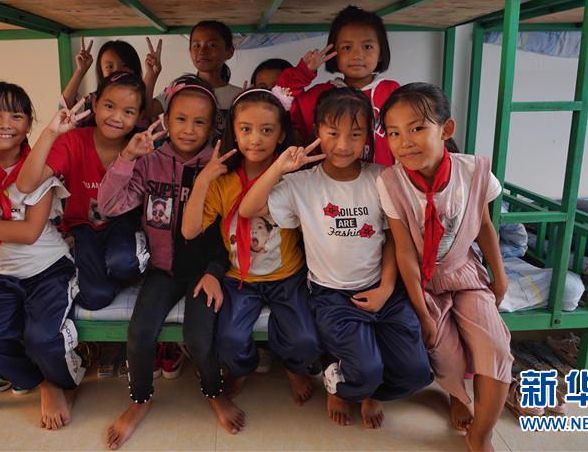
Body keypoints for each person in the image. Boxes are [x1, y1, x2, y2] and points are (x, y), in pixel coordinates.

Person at [239, 87, 432, 429]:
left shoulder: (382, 177)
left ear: (368, 136)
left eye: (355, 134)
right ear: (317, 132)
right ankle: (340, 384)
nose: (343, 145)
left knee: (417, 372)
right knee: (366, 370)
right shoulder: (302, 184)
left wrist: (386, 288)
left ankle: (371, 391)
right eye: (332, 133)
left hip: (382, 289)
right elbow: (248, 209)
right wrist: (280, 166)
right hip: (332, 295)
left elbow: (392, 238)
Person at [98, 75, 244, 450]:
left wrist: (214, 272)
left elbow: (227, 231)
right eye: (180, 119)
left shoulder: (219, 164)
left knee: (198, 337)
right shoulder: (151, 161)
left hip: (204, 271)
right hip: (162, 270)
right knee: (139, 333)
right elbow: (109, 206)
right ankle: (140, 400)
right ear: (165, 120)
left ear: (213, 126)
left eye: (199, 122)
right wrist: (127, 158)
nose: (189, 129)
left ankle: (214, 392)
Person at [377, 82, 512, 452]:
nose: (404, 142)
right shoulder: (390, 182)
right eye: (393, 133)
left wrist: (499, 276)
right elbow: (405, 252)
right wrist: (422, 311)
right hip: (422, 280)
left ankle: (481, 434)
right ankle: (458, 394)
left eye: (417, 128)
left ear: (446, 129)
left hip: (464, 273)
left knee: (496, 347)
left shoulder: (474, 172)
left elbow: (484, 227)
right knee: (445, 354)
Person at [0, 82, 85, 430]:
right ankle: (42, 382)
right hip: (1, 275)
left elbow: (28, 233)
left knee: (42, 339)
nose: (4, 124)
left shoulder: (38, 167)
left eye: (16, 116)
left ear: (28, 124)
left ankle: (62, 381)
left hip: (48, 269)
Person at [181, 87, 321, 407]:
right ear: (234, 131)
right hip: (239, 279)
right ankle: (243, 368)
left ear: (281, 134)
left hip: (287, 277)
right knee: (229, 340)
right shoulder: (223, 182)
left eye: (266, 130)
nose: (255, 139)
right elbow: (189, 231)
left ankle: (293, 367)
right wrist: (202, 181)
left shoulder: (293, 178)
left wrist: (281, 168)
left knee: (306, 341)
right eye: (245, 129)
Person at [16, 72, 149, 311]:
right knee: (95, 298)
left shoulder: (140, 149)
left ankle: (112, 269)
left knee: (125, 263)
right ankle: (97, 274)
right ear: (95, 104)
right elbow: (26, 184)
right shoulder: (73, 142)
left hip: (123, 225)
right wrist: (50, 133)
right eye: (109, 106)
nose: (116, 117)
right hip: (83, 227)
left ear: (139, 116)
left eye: (128, 112)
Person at [276, 5, 398, 165]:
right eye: (347, 47)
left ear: (381, 52)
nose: (357, 55)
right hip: (326, 180)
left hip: (381, 179)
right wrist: (303, 72)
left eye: (367, 47)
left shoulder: (392, 92)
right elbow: (277, 102)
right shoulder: (319, 95)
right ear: (334, 54)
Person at [150, 20, 242, 140]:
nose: (202, 51)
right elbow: (146, 111)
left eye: (212, 45)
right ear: (190, 51)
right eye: (196, 45)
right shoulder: (179, 89)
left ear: (229, 52)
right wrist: (151, 75)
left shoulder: (238, 96)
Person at [61, 37, 162, 123]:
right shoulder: (92, 101)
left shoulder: (144, 107)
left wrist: (151, 75)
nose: (117, 71)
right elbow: (64, 112)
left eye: (125, 66)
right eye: (109, 66)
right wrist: (80, 71)